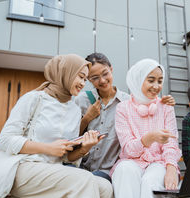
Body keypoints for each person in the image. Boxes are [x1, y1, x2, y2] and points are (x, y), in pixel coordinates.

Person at [0, 54, 113, 198]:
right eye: (79, 77)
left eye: (85, 79)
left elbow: (67, 157)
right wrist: (48, 148)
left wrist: (84, 148)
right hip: (24, 168)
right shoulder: (34, 99)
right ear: (65, 72)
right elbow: (5, 140)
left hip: (55, 170)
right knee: (84, 180)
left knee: (104, 187)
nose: (82, 83)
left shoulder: (73, 109)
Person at [74, 52, 175, 182]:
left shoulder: (128, 103)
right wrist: (87, 118)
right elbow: (72, 137)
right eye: (95, 77)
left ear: (111, 69)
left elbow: (151, 105)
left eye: (105, 74)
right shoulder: (82, 100)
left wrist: (164, 102)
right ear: (88, 79)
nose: (102, 80)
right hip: (81, 167)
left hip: (108, 171)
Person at [111, 58, 181, 198]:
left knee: (151, 180)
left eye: (160, 81)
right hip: (132, 160)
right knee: (124, 170)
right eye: (151, 80)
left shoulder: (165, 106)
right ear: (138, 79)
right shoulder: (123, 108)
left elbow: (171, 143)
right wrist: (148, 138)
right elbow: (128, 148)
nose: (156, 86)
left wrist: (171, 168)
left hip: (159, 162)